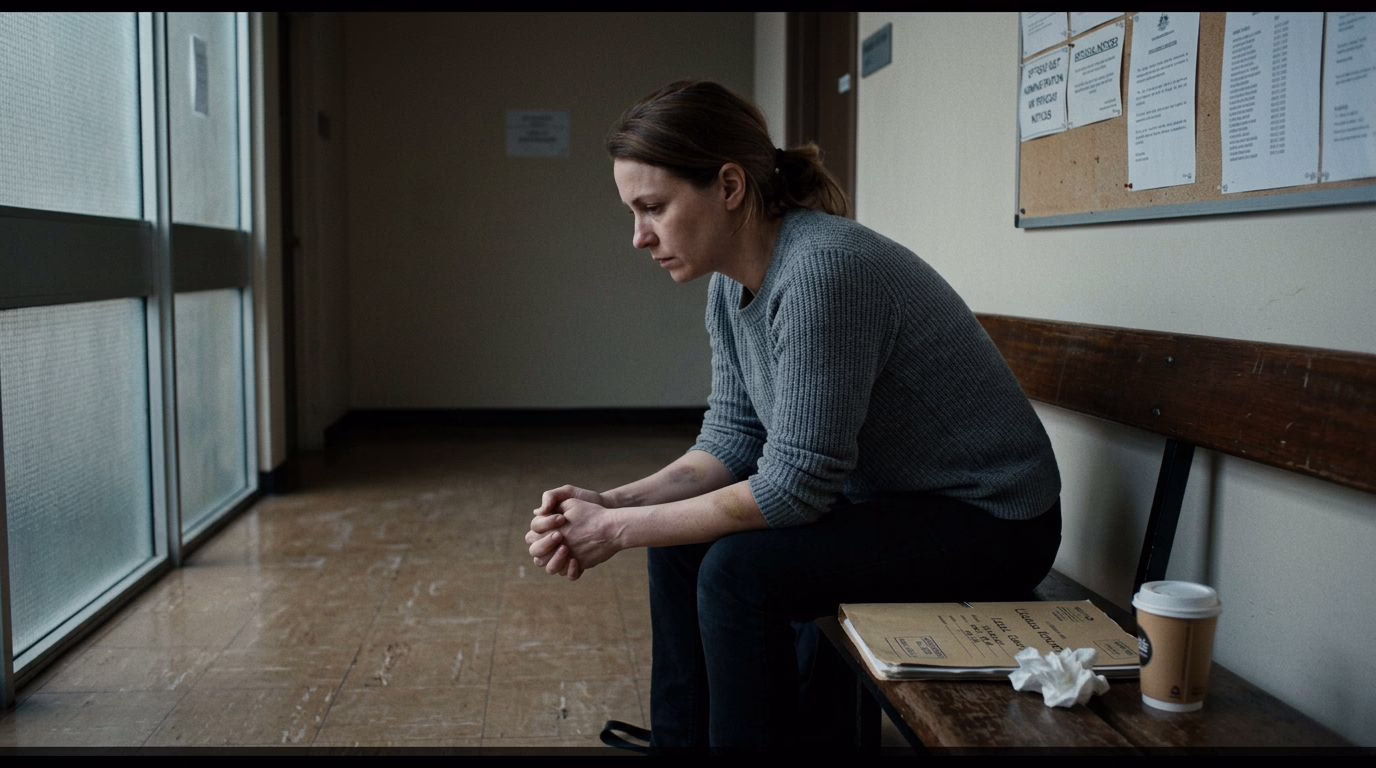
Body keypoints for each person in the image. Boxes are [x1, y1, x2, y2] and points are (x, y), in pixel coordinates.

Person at [524, 79, 1062, 750]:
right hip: (891, 505)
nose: (639, 237)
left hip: (992, 521)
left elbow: (793, 489)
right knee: (678, 546)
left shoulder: (823, 271)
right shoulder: (730, 285)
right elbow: (732, 439)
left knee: (738, 574)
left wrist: (616, 529)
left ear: (729, 186)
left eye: (653, 207)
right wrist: (612, 503)